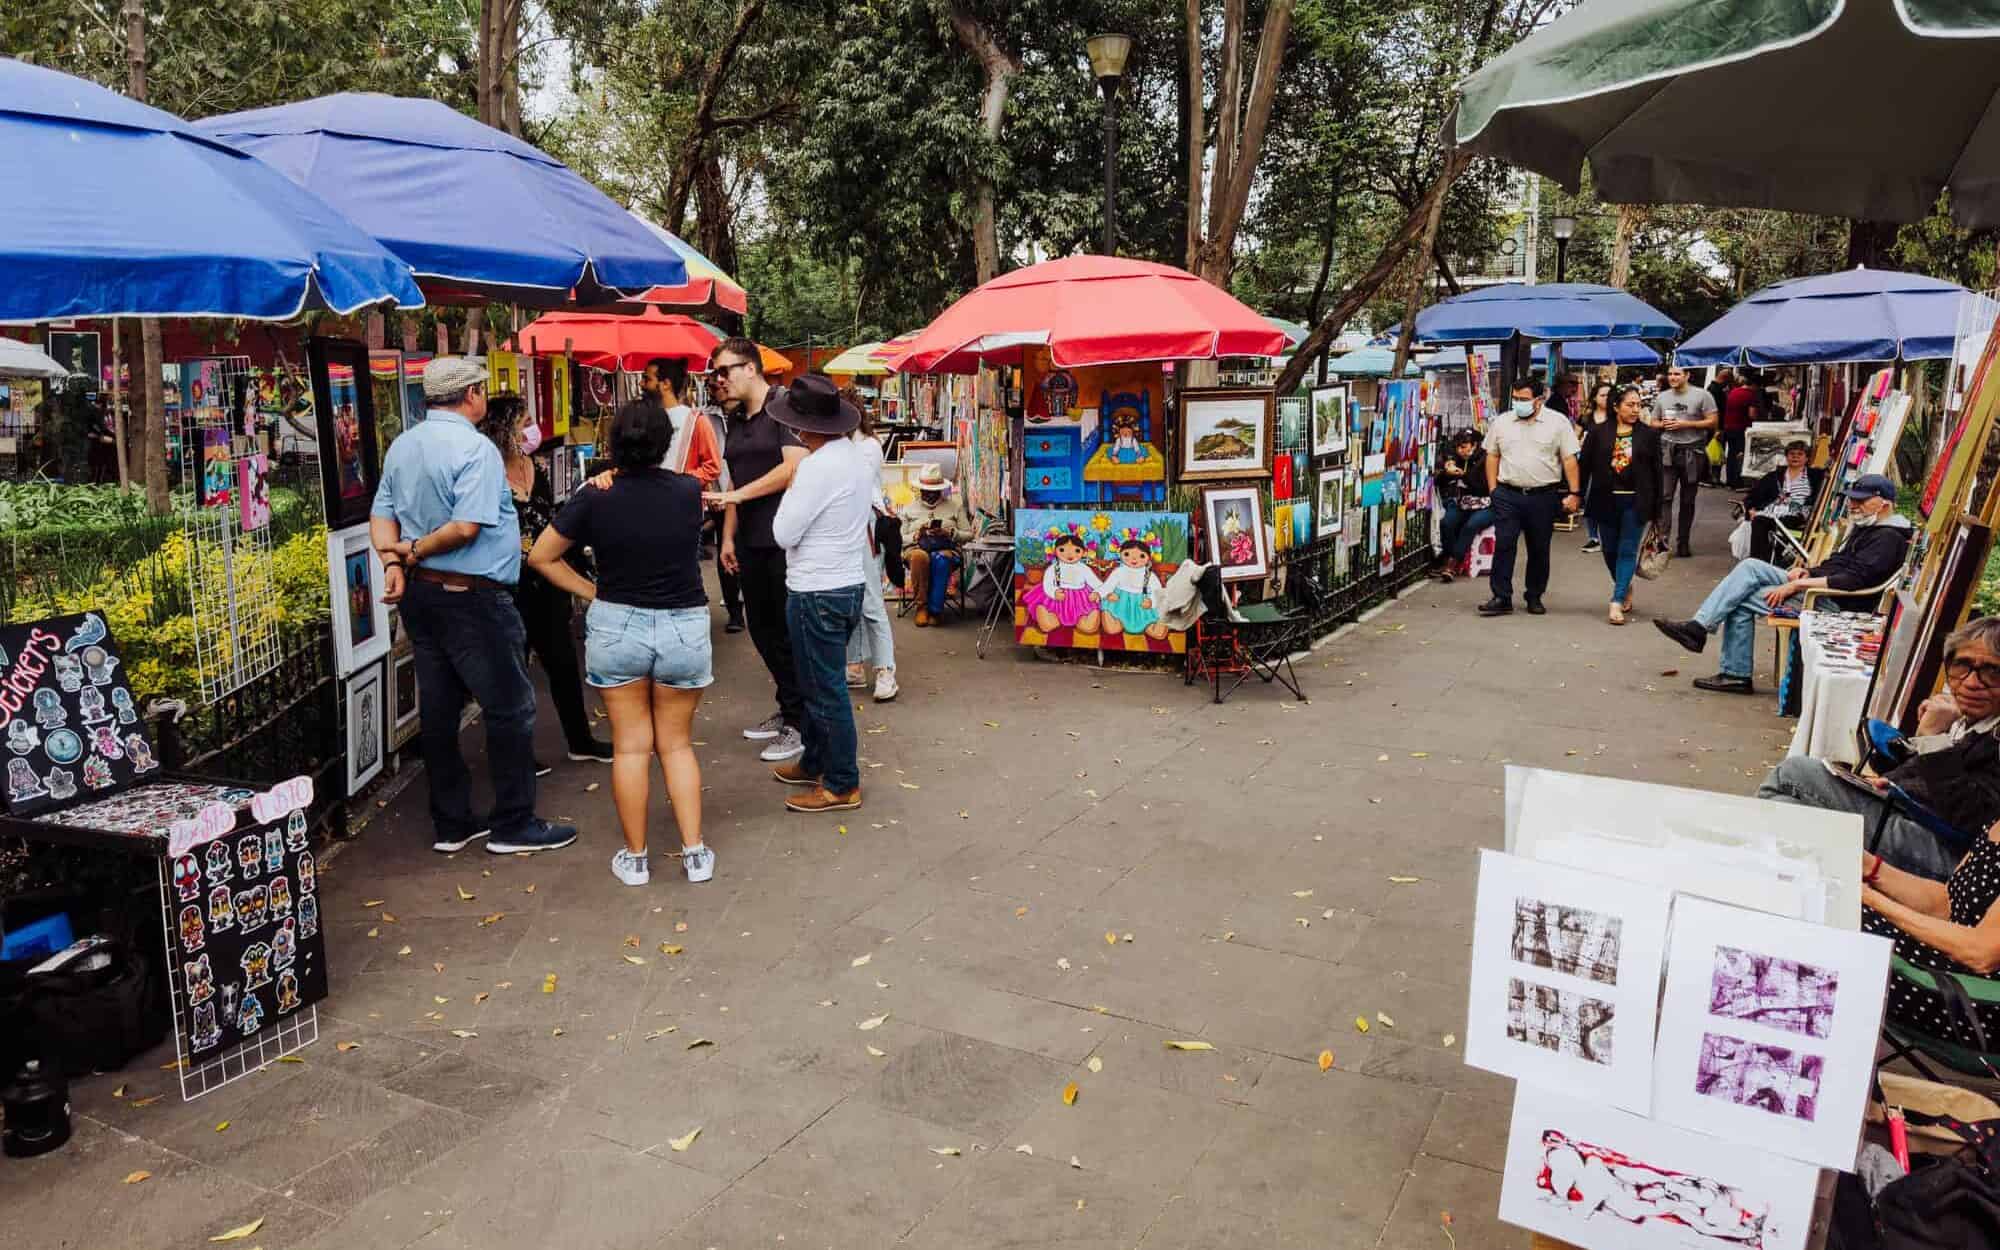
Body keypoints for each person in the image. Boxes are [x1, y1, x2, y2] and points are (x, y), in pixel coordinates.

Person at [369, 357, 576, 856]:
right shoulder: (476, 449)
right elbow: (467, 526)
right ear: (471, 395)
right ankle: (513, 821)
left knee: (439, 708)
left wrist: (394, 564)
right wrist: (412, 553)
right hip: (471, 594)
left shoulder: (404, 445)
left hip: (422, 595)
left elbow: (382, 513)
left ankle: (452, 821)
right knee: (510, 705)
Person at [526, 400, 715, 887]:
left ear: (613, 445)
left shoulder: (594, 495)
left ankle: (635, 860)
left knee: (632, 749)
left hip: (617, 625)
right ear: (665, 443)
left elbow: (542, 557)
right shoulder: (690, 492)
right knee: (675, 745)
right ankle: (695, 854)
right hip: (682, 624)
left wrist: (593, 592)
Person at [1759, 617, 2000, 882]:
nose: (1972, 682)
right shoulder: (1971, 720)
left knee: (1793, 777)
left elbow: (1972, 819)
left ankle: (1785, 877)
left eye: (1992, 673)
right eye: (1961, 666)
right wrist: (1911, 759)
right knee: (1792, 804)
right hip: (1917, 819)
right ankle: (1796, 878)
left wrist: (1933, 740)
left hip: (1953, 858)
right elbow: (1935, 776)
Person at [1653, 472, 1912, 695]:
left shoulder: (1887, 537)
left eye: (1861, 500)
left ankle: (1732, 669)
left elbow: (1853, 580)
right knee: (1750, 566)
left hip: (1835, 602)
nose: (1853, 505)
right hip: (1822, 588)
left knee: (1740, 597)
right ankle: (1700, 630)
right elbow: (1838, 563)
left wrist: (1799, 585)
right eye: (1853, 499)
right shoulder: (1868, 528)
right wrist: (1807, 571)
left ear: (1884, 503)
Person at [477, 394, 611, 772]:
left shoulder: (536, 466)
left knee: (563, 664)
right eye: (524, 420)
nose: (531, 427)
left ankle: (580, 741)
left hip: (548, 581)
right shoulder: (485, 474)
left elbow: (554, 519)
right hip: (507, 585)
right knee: (511, 672)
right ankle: (517, 753)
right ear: (504, 427)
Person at [766, 376, 869, 813]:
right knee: (816, 682)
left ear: (804, 427)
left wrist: (789, 491)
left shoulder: (814, 467)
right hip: (845, 582)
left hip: (816, 589)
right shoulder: (855, 458)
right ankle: (815, 759)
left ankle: (842, 782)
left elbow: (782, 532)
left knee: (824, 689)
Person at [704, 338, 808, 763]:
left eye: (724, 372)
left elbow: (793, 467)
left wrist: (737, 497)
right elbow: (733, 483)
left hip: (784, 540)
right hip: (748, 540)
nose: (719, 382)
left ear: (750, 368)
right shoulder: (737, 420)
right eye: (714, 375)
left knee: (788, 633)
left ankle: (801, 723)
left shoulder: (784, 407)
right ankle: (789, 708)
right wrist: (727, 536)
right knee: (762, 631)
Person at [1476, 376, 1581, 617]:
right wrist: (1493, 489)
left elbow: (1569, 459)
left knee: (1539, 548)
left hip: (1543, 496)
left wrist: (1575, 493)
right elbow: (1492, 455)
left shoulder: (1557, 423)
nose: (1518, 404)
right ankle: (1501, 596)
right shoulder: (1502, 422)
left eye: (1523, 399)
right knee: (1504, 544)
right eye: (1515, 399)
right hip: (1507, 494)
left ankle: (1534, 595)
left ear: (1539, 400)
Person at [1577, 385, 1660, 626]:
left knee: (1627, 549)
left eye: (1638, 404)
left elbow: (1656, 474)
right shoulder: (1598, 433)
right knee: (1609, 550)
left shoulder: (1649, 435)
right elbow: (1585, 468)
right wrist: (1576, 495)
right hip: (1605, 500)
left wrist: (1657, 510)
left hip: (1636, 501)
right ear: (1616, 407)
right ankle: (1625, 585)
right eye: (1629, 404)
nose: (1636, 409)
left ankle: (1616, 600)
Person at [844, 399, 899, 703]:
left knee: (870, 599)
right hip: (845, 525)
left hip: (865, 522)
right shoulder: (848, 445)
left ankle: (885, 668)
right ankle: (854, 665)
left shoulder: (867, 446)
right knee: (850, 596)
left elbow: (858, 484)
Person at [1650, 365, 1719, 557]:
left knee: (1688, 500)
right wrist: (1662, 424)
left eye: (1677, 374)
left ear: (1687, 375)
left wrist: (1686, 424)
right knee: (1665, 497)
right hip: (1667, 451)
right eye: (1670, 374)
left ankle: (1683, 543)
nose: (1673, 377)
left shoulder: (1702, 395)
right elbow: (1652, 422)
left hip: (1692, 452)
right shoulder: (1662, 397)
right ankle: (1662, 542)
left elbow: (1713, 421)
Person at [898, 463, 973, 625]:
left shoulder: (955, 506)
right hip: (916, 548)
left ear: (940, 489)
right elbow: (899, 537)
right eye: (926, 491)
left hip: (946, 549)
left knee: (940, 558)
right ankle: (922, 607)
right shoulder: (909, 509)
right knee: (919, 557)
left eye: (933, 491)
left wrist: (951, 533)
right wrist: (916, 535)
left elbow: (969, 534)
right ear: (920, 490)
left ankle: (935, 609)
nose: (930, 494)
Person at [1742, 440, 1824, 564]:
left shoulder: (1816, 476)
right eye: (1792, 454)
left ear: (1807, 458)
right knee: (1759, 521)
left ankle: (1774, 559)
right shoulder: (1773, 476)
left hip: (1798, 514)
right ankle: (1757, 562)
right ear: (1786, 457)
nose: (1795, 457)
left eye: (1800, 454)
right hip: (1772, 511)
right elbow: (1753, 496)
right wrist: (1751, 509)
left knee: (1785, 523)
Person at [1434, 428, 1491, 582]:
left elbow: (1483, 487)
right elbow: (1439, 482)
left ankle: (1452, 564)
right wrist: (1447, 473)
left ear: (1474, 445)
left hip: (1485, 504)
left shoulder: (1485, 459)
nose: (1461, 451)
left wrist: (1464, 476)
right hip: (1463, 503)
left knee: (1471, 525)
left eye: (1465, 447)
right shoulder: (1455, 459)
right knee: (1447, 523)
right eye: (1459, 447)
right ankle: (1449, 558)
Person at [1575, 381, 1615, 553]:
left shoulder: (1617, 417)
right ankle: (1593, 537)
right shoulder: (1586, 418)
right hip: (1590, 465)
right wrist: (1581, 442)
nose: (1606, 398)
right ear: (1594, 397)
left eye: (1609, 395)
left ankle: (1611, 536)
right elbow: (1573, 439)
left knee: (1611, 501)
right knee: (1591, 499)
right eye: (1602, 395)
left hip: (1614, 465)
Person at [1720, 367, 1760, 488]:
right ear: (1754, 385)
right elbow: (1752, 414)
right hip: (1740, 428)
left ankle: (1730, 480)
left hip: (1728, 427)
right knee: (1740, 454)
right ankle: (1738, 481)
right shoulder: (1751, 395)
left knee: (1731, 454)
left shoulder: (1734, 391)